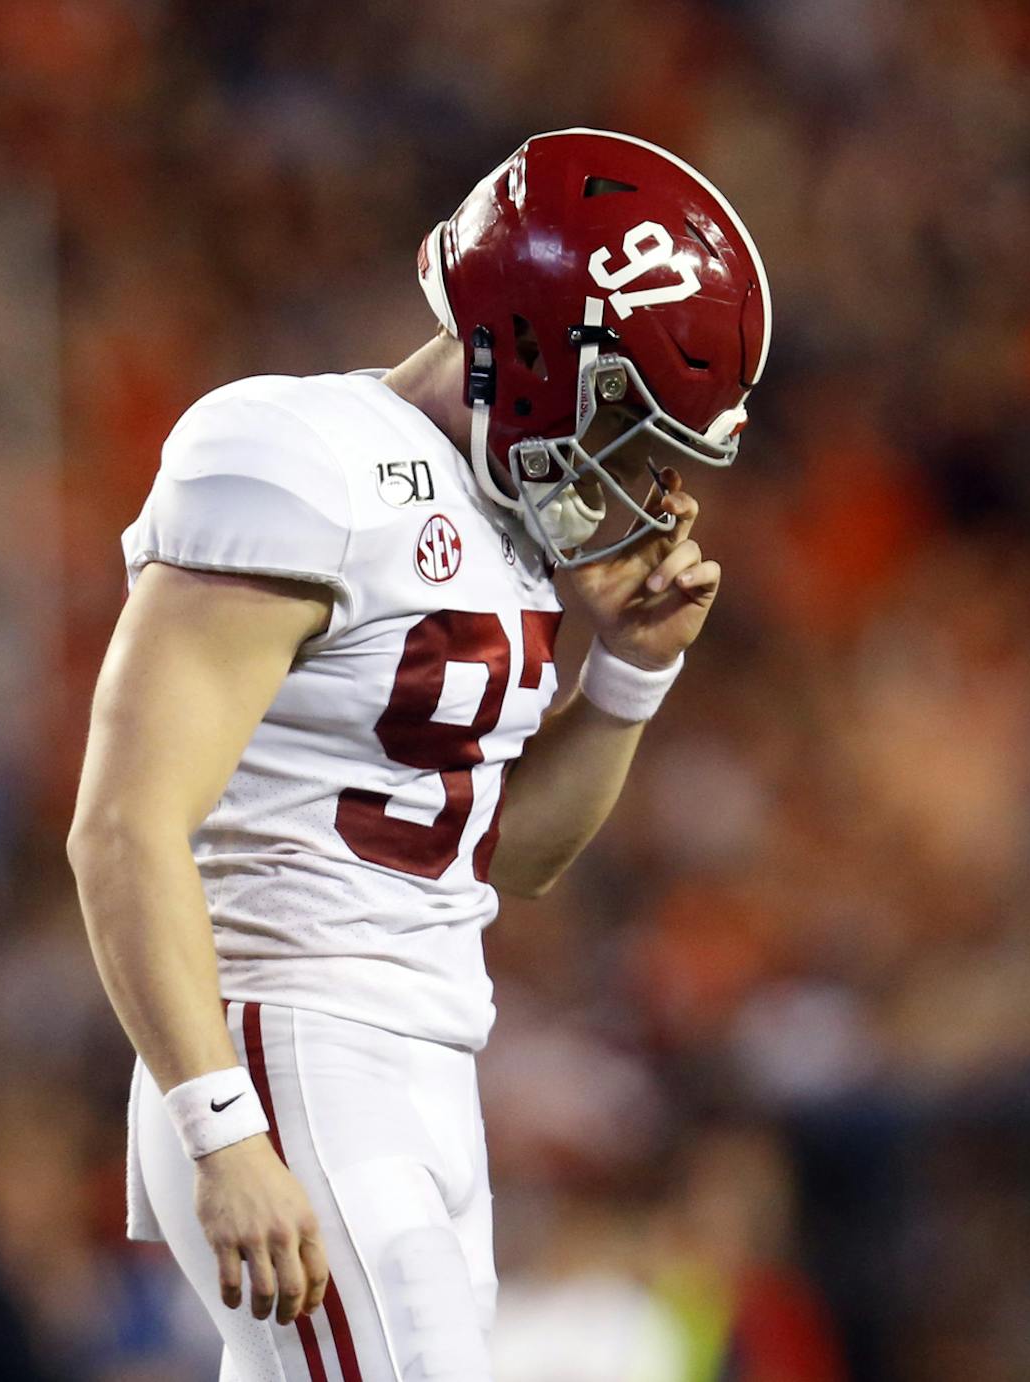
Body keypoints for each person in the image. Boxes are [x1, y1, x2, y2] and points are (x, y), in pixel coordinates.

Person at [66, 128, 771, 1382]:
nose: (643, 472)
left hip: (423, 1059)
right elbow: (122, 823)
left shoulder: (499, 526)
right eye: (630, 415)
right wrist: (221, 1120)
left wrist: (631, 670)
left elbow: (504, 861)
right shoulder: (301, 455)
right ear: (546, 353)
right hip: (287, 1034)